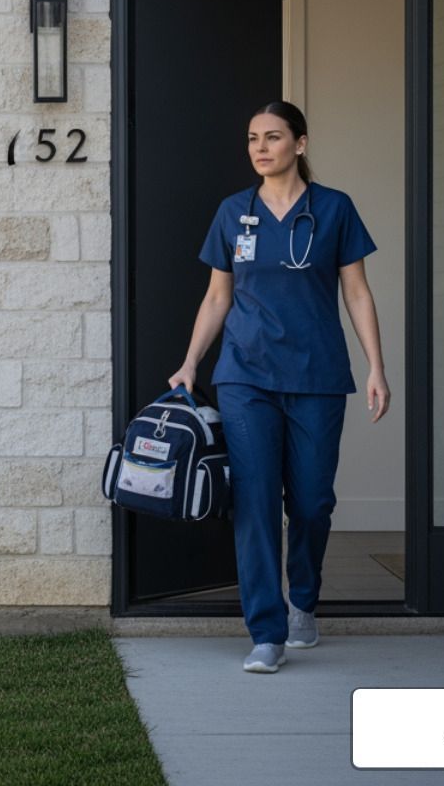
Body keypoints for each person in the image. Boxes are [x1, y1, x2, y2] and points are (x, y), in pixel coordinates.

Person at [168, 100, 390, 674]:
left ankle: (304, 601)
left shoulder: (334, 210)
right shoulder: (232, 213)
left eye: (272, 137)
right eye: (251, 139)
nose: (260, 148)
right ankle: (265, 631)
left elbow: (357, 293)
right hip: (245, 375)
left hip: (316, 375)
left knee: (313, 502)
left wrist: (376, 367)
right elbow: (218, 296)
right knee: (257, 502)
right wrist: (192, 361)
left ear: (301, 143)